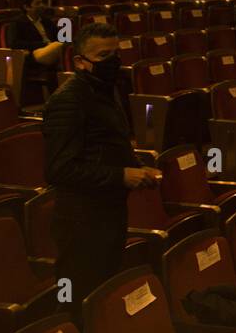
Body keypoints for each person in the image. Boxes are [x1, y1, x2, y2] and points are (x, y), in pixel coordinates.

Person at [43, 21, 158, 303]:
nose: (113, 62)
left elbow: (106, 143)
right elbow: (58, 169)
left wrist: (137, 166)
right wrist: (121, 175)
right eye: (104, 56)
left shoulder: (107, 89)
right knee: (79, 297)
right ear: (81, 61)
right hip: (81, 219)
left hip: (108, 211)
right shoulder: (68, 100)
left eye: (115, 54)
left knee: (105, 294)